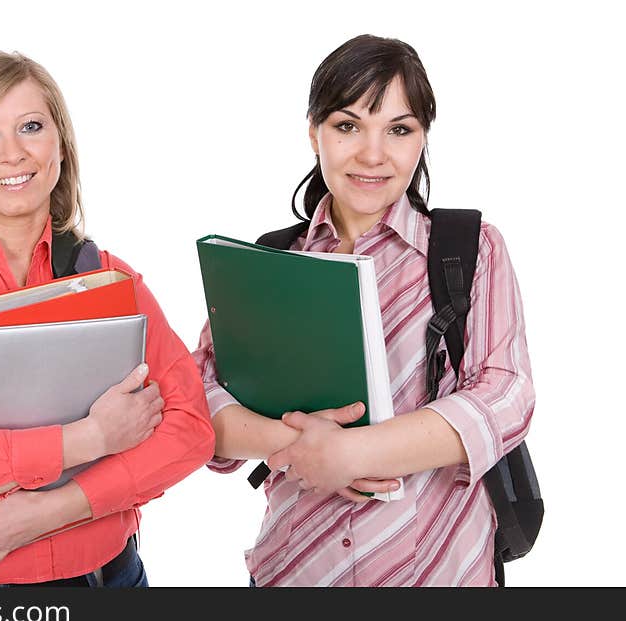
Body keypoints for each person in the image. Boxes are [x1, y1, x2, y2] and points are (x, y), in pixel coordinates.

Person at [192, 34, 535, 587]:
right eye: (347, 125)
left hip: (439, 573)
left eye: (399, 130)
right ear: (314, 133)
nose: (373, 154)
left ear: (422, 139)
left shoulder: (469, 248)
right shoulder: (272, 260)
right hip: (297, 569)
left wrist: (353, 453)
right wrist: (295, 447)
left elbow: (507, 395)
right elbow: (200, 398)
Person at [0, 50, 215, 587]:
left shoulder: (107, 276)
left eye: (31, 127)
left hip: (110, 579)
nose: (13, 154)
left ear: (60, 143)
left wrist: (52, 511)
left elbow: (191, 430)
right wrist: (90, 439)